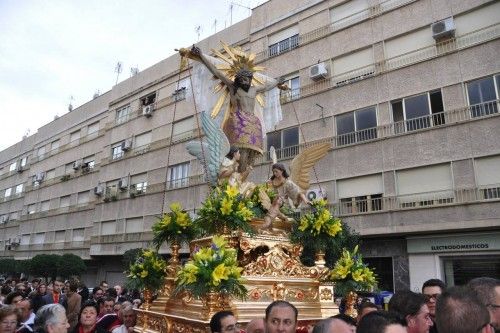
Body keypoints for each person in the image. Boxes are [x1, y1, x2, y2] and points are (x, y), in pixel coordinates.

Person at [181, 45, 287, 173]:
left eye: (247, 79)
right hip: (238, 121)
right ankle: (233, 174)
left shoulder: (254, 90)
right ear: (238, 79)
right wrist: (202, 56)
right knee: (236, 152)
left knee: (249, 154)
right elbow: (216, 72)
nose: (245, 81)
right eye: (242, 79)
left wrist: (277, 82)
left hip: (253, 123)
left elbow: (267, 86)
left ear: (250, 80)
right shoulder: (233, 88)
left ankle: (241, 174)